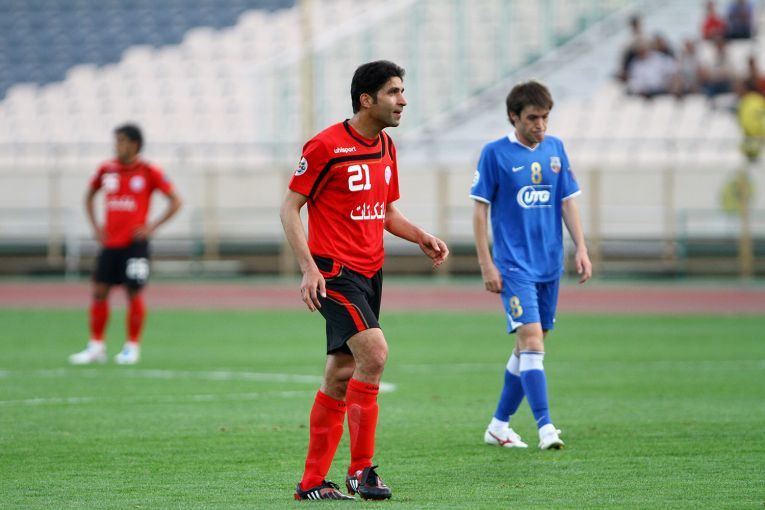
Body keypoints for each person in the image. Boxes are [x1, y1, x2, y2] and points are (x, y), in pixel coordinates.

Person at [280, 60, 448, 501]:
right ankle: (361, 471)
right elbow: (289, 208)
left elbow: (387, 212)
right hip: (333, 273)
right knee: (375, 353)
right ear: (366, 99)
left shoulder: (386, 146)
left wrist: (420, 236)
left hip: (371, 273)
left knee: (341, 373)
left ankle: (312, 484)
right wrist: (308, 268)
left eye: (402, 91)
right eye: (394, 92)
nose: (403, 100)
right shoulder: (325, 146)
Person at [470, 81, 592, 451]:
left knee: (529, 348)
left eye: (545, 117)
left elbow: (567, 201)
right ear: (514, 116)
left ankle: (498, 426)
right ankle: (546, 427)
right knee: (533, 342)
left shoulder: (555, 149)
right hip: (514, 266)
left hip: (549, 264)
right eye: (533, 118)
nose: (540, 124)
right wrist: (486, 264)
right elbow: (480, 210)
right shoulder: (495, 153)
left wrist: (581, 248)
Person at [69, 124, 182, 365]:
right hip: (110, 243)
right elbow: (89, 195)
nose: (116, 145)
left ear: (134, 144)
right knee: (99, 291)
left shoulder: (149, 171)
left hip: (135, 244)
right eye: (116, 140)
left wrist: (152, 227)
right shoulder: (106, 170)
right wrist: (96, 226)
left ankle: (132, 347)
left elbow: (175, 201)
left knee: (133, 292)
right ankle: (96, 346)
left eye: (121, 141)